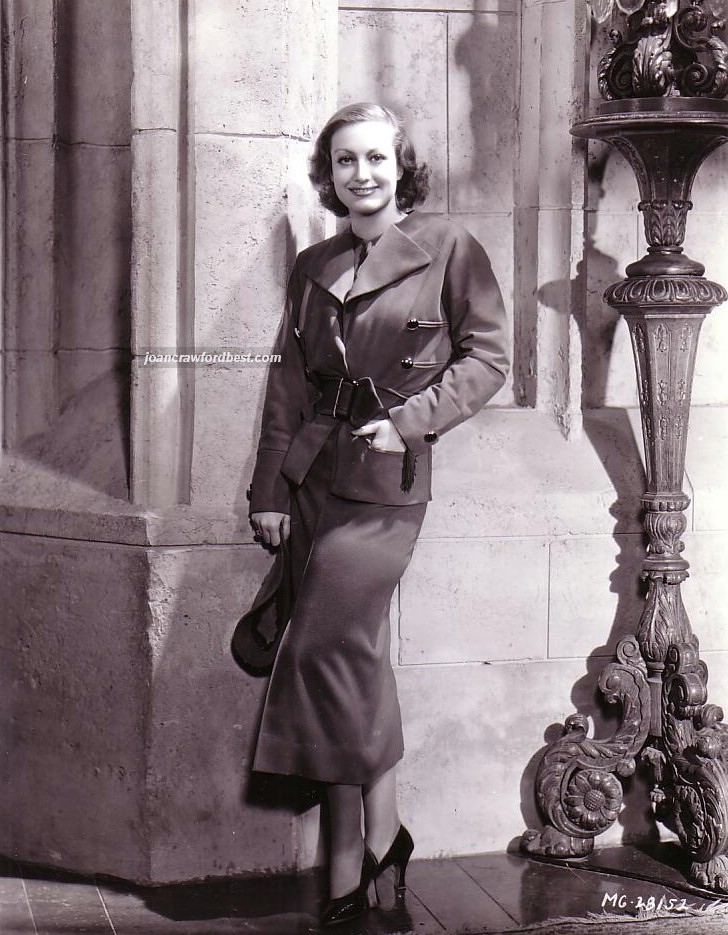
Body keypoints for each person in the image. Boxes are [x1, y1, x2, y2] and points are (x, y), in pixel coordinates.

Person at [247, 101, 509, 927]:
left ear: (402, 168)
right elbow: (288, 384)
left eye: (376, 159)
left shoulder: (450, 249)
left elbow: (490, 356)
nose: (361, 174)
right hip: (311, 481)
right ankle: (384, 836)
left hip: (388, 487)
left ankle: (344, 862)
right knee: (357, 661)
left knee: (325, 652)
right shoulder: (314, 264)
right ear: (330, 175)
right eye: (346, 161)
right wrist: (267, 491)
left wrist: (408, 421)